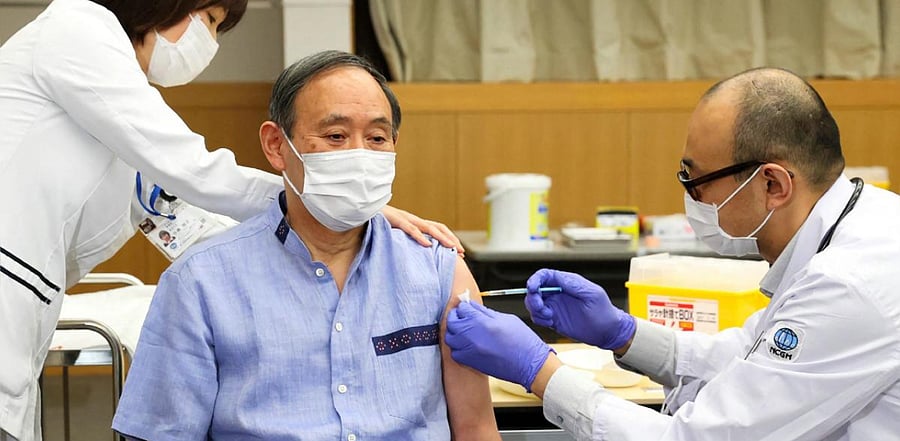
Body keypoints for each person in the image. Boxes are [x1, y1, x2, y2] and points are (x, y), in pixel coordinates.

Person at [0, 2, 460, 440]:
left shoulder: (433, 267)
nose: (211, 41)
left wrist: (339, 210)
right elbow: (192, 169)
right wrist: (315, 196)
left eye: (377, 138)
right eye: (212, 19)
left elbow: (176, 211)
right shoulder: (77, 30)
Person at [445, 67, 900, 440]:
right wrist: (622, 334)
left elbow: (697, 439)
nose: (689, 195)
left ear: (773, 185)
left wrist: (540, 371)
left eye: (695, 179)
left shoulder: (851, 283)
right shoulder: (861, 221)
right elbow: (749, 358)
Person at [111, 51, 501, 441]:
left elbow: (476, 428)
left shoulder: (437, 269)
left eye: (377, 138)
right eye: (335, 136)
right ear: (276, 145)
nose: (359, 155)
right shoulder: (200, 282)